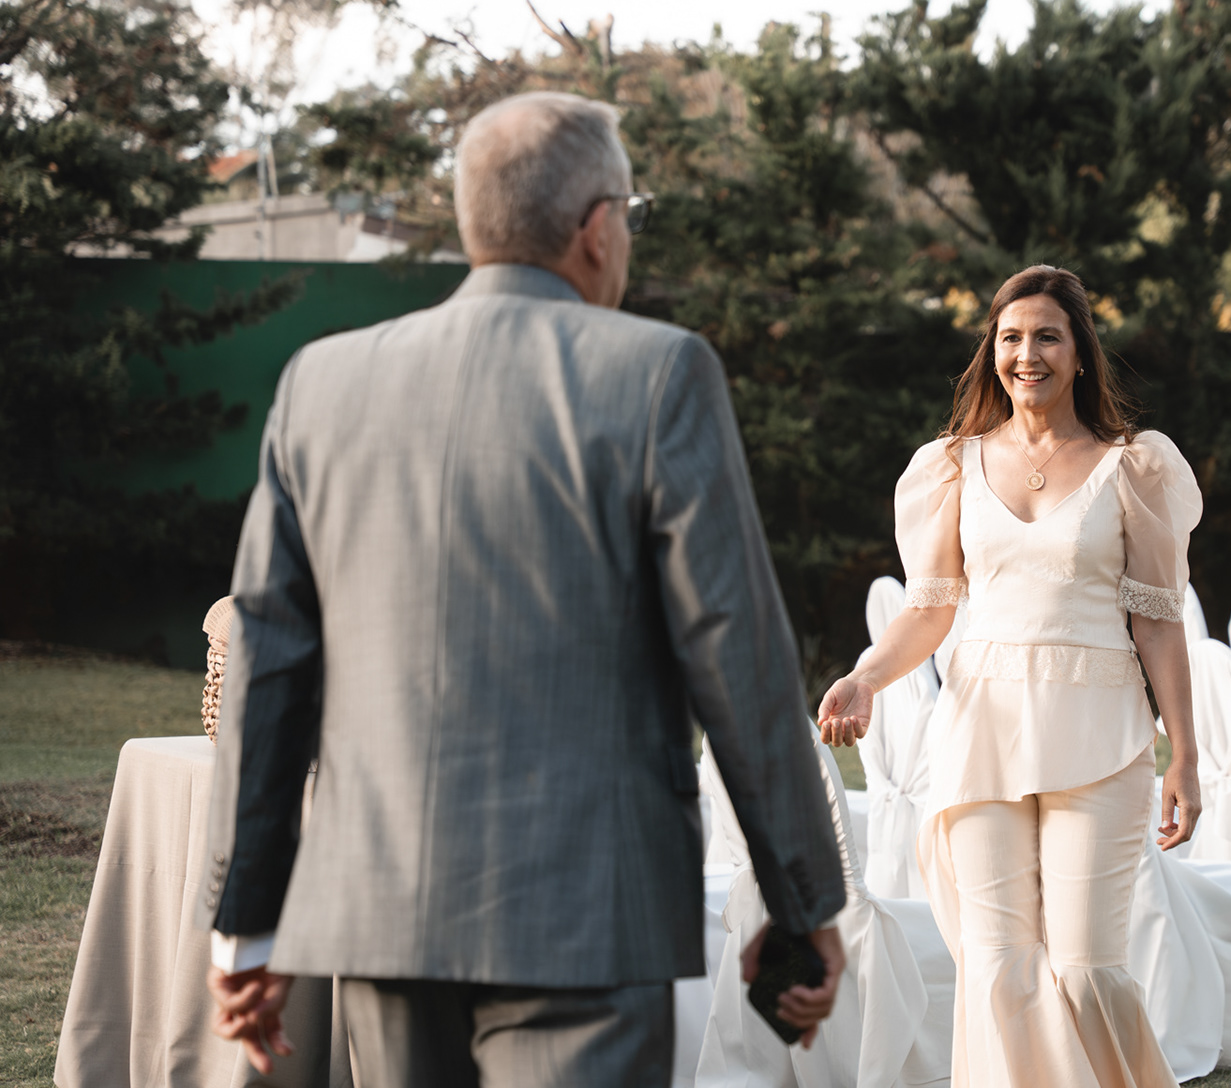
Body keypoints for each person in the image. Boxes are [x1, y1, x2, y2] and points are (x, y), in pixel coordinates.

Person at [195, 91, 847, 1086]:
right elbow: (738, 655)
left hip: (380, 909)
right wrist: (798, 904)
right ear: (595, 229)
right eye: (628, 213)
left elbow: (266, 661)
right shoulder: (661, 372)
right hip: (589, 911)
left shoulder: (319, 384)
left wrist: (246, 917)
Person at [818, 265, 1203, 1088]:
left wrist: (1186, 757)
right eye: (1012, 338)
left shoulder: (1134, 469)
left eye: (1048, 337)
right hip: (980, 731)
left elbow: (1159, 621)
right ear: (993, 350)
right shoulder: (951, 467)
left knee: (1089, 967)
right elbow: (929, 612)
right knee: (997, 968)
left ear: (1080, 353)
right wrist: (864, 679)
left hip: (1099, 733)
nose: (1027, 355)